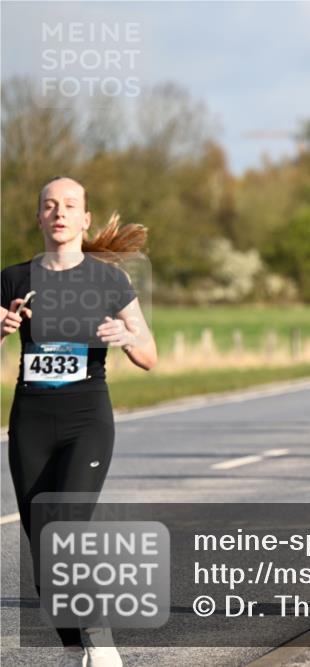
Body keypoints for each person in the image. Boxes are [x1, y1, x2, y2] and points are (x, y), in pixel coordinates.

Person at [2, 177, 157, 667]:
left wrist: (126, 338)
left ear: (85, 218)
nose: (59, 213)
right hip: (30, 421)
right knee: (44, 554)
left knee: (65, 533)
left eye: (70, 205)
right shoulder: (13, 279)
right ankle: (77, 652)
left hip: (85, 420)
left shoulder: (108, 281)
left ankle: (101, 644)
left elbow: (150, 355)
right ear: (38, 217)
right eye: (50, 205)